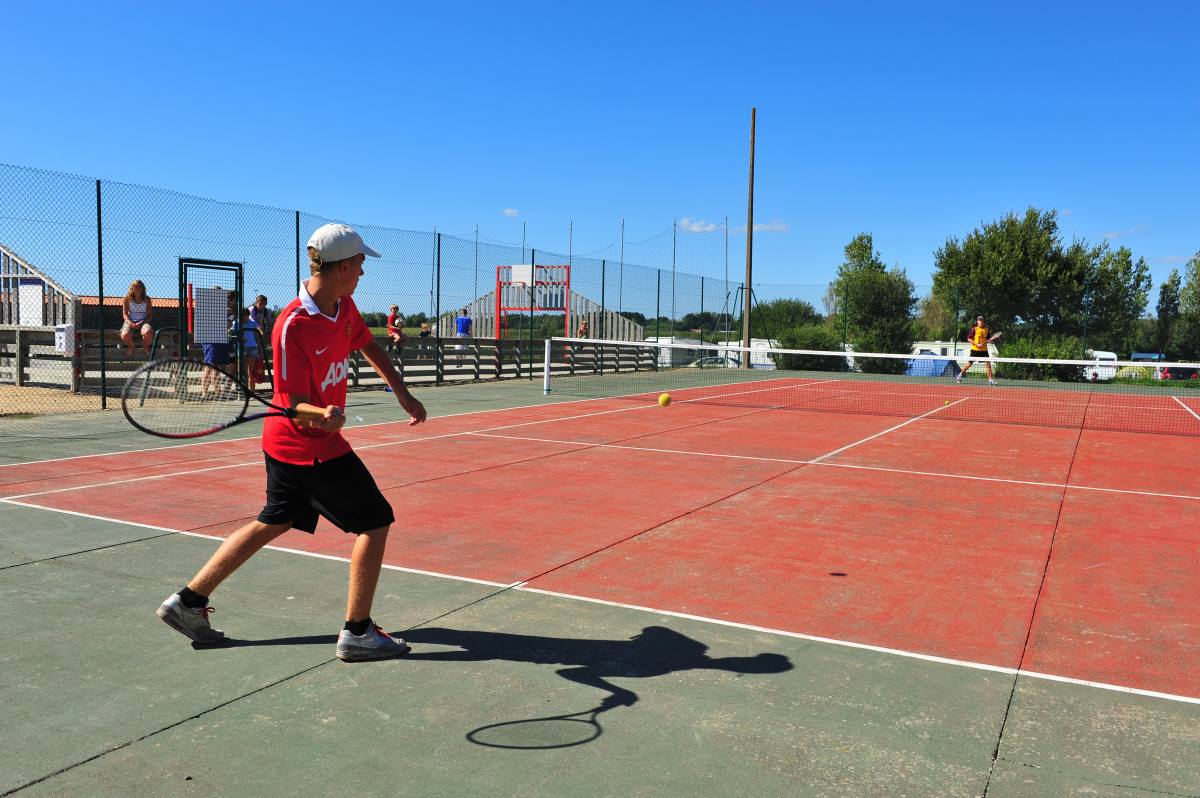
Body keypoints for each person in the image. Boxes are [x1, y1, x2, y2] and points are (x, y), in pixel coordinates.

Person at [156, 223, 427, 662]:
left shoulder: (345, 307)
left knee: (275, 520)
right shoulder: (292, 326)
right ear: (340, 267)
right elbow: (292, 402)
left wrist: (402, 392)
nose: (363, 270)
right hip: (307, 446)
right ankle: (358, 632)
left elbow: (369, 346)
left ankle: (187, 602)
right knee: (374, 520)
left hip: (295, 446)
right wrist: (322, 415)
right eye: (359, 263)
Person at [956, 315, 998, 385]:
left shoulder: (986, 329)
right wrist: (976, 344)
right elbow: (969, 339)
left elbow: (988, 339)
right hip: (975, 350)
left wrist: (990, 341)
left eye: (982, 320)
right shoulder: (974, 329)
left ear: (983, 322)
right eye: (979, 320)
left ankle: (990, 380)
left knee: (988, 364)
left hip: (984, 350)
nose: (981, 321)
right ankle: (959, 375)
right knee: (969, 364)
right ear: (977, 321)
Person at [119, 279, 154, 356]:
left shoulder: (147, 299)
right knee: (124, 334)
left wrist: (142, 322)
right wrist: (130, 322)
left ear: (143, 288)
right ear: (132, 287)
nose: (138, 288)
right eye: (136, 286)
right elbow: (125, 314)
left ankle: (145, 346)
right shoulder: (127, 299)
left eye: (140, 286)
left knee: (148, 331)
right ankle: (131, 346)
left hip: (143, 321)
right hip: (130, 321)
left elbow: (149, 315)